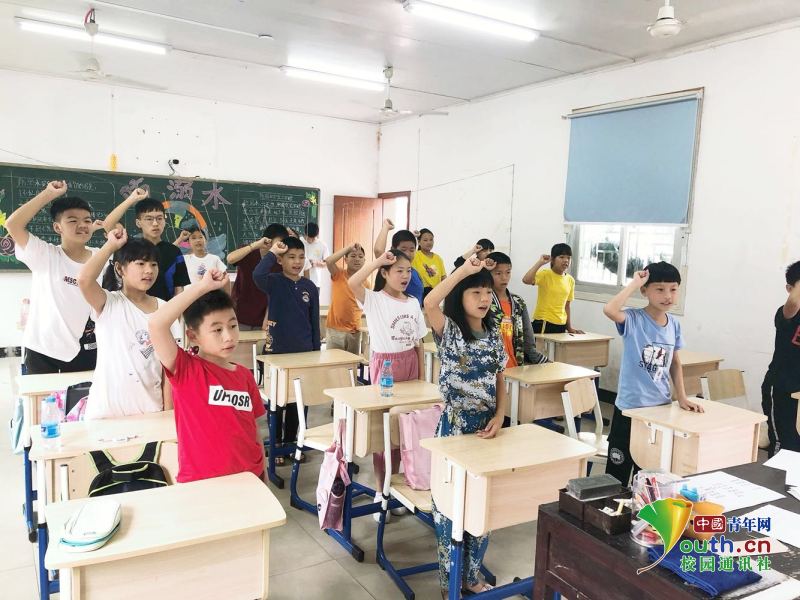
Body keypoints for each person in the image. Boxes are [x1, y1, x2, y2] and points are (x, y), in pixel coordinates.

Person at [423, 255, 507, 597]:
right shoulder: (451, 331)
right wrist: (463, 272)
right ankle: (449, 583)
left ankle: (471, 576)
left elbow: (500, 378)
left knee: (481, 506)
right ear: (461, 296)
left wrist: (501, 415)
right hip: (455, 428)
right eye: (476, 292)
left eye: (487, 292)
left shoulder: (493, 333)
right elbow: (430, 302)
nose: (485, 298)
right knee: (449, 510)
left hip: (487, 429)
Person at [148, 268, 266, 483]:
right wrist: (202, 287)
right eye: (217, 330)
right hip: (202, 483)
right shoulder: (185, 369)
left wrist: (263, 473)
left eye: (233, 326)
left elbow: (253, 430)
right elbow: (157, 324)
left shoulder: (244, 376)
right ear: (193, 336)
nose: (229, 336)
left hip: (250, 477)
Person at [602, 262, 702, 485]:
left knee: (648, 474)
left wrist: (682, 397)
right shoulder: (633, 319)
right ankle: (612, 506)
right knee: (616, 475)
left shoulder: (673, 325)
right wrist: (634, 283)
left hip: (659, 410)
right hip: (629, 409)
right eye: (660, 289)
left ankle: (642, 507)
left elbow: (675, 362)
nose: (668, 296)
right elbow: (610, 310)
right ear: (645, 291)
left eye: (673, 289)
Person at [349, 249, 427, 519]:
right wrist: (378, 261)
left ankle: (398, 487)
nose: (405, 276)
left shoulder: (413, 302)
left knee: (407, 429)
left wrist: (422, 378)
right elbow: (352, 282)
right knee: (384, 433)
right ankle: (380, 489)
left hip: (411, 364)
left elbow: (419, 343)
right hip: (386, 368)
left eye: (408, 271)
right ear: (385, 273)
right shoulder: (374, 300)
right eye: (399, 271)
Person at [77, 228, 180, 419]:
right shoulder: (108, 303)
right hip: (106, 412)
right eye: (140, 263)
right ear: (119, 268)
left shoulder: (165, 309)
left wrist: (167, 414)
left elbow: (170, 368)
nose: (149, 270)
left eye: (154, 264)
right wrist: (110, 246)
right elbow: (84, 280)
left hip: (151, 411)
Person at [6, 180, 106, 374]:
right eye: (73, 221)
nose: (82, 225)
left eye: (87, 220)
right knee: (44, 394)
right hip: (42, 348)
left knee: (82, 393)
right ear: (57, 227)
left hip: (84, 346)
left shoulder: (101, 257)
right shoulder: (45, 255)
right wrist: (48, 194)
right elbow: (13, 224)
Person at [253, 236, 320, 462]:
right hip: (277, 354)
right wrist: (272, 252)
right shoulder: (274, 281)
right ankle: (276, 444)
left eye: (301, 257)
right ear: (281, 260)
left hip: (303, 356)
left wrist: (315, 353)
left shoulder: (309, 287)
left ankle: (292, 444)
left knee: (297, 404)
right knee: (277, 403)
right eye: (291, 257)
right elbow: (257, 275)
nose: (297, 262)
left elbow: (314, 323)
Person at [102, 190, 190, 301]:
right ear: (138, 223)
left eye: (159, 218)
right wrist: (131, 199)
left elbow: (179, 289)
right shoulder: (131, 246)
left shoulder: (174, 251)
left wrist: (175, 311)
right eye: (149, 219)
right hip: (132, 307)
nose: (155, 223)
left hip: (163, 308)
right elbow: (107, 225)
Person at [762, 260, 800, 454]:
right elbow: (793, 303)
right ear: (789, 289)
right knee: (784, 446)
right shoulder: (787, 313)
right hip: (781, 390)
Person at [485, 252, 547, 368]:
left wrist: (544, 362)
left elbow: (528, 337)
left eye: (508, 272)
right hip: (491, 368)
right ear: (488, 274)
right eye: (498, 273)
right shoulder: (484, 301)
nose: (504, 277)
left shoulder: (518, 302)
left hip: (515, 367)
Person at [227, 223, 288, 331]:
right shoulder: (248, 252)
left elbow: (274, 293)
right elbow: (230, 259)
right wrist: (255, 245)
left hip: (261, 319)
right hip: (239, 314)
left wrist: (267, 318)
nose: (280, 247)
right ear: (268, 240)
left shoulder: (279, 263)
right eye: (278, 243)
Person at [522, 243, 583, 335]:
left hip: (561, 324)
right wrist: (540, 263)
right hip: (544, 323)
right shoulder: (545, 274)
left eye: (568, 258)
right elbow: (526, 280)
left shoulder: (570, 280)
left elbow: (567, 306)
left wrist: (569, 327)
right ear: (553, 259)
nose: (566, 260)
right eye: (561, 257)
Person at [324, 242, 367, 354]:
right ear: (345, 260)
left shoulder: (366, 283)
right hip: (335, 329)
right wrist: (348, 247)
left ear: (364, 260)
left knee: (352, 362)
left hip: (354, 330)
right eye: (353, 256)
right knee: (334, 362)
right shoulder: (339, 274)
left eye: (360, 256)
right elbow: (329, 261)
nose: (357, 259)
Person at [373, 219, 424, 305]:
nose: (408, 254)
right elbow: (378, 251)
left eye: (412, 250)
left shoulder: (415, 272)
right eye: (403, 249)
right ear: (393, 249)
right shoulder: (390, 266)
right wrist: (386, 227)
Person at [178, 225, 230, 294]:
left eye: (201, 237)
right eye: (193, 238)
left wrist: (228, 298)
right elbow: (166, 254)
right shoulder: (184, 259)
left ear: (206, 241)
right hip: (191, 298)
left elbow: (226, 279)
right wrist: (179, 239)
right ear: (188, 243)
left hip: (211, 298)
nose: (198, 240)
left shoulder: (214, 259)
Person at [411, 228, 447, 297]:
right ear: (419, 242)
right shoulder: (415, 255)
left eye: (431, 240)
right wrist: (412, 236)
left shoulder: (438, 258)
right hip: (420, 294)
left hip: (435, 294)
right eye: (425, 240)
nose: (429, 242)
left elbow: (443, 278)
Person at [301, 222, 329, 290]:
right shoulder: (299, 241)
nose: (311, 240)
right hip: (298, 279)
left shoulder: (322, 245)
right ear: (305, 233)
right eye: (309, 237)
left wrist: (316, 263)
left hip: (315, 282)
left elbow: (327, 263)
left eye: (313, 238)